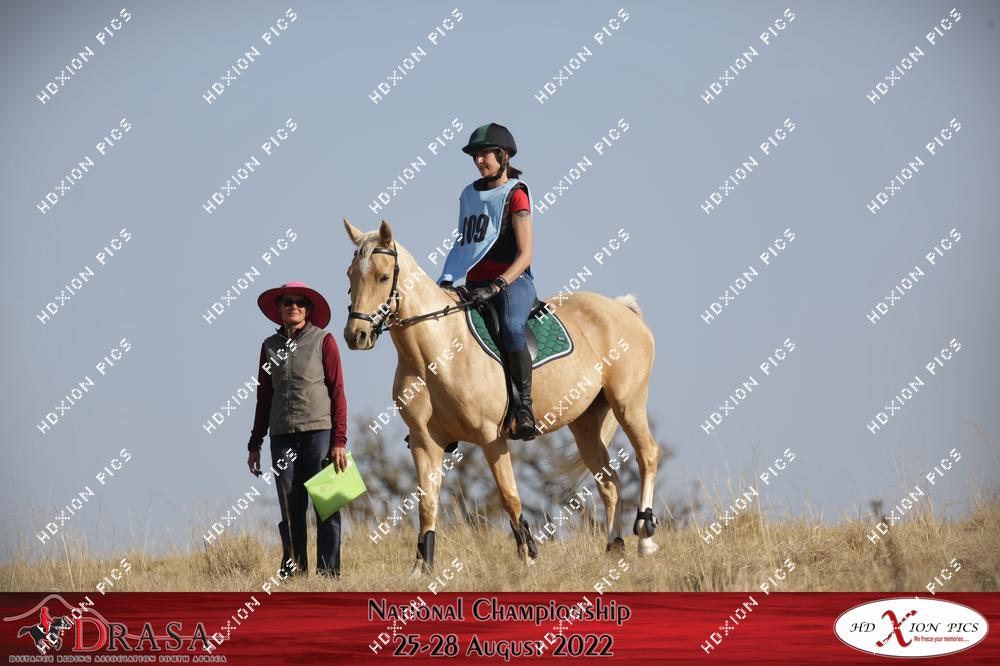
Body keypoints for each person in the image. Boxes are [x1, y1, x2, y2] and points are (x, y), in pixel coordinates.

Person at [437, 123, 538, 440]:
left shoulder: (516, 195)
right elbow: (463, 243)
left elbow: (526, 254)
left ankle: (524, 407)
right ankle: (441, 416)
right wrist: (447, 278)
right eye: (475, 156)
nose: (479, 161)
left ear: (504, 155)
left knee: (510, 326)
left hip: (512, 282)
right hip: (473, 284)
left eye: (485, 155)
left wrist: (498, 285)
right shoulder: (468, 195)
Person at [246, 282, 348, 577]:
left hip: (320, 434)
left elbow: (338, 392)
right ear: (279, 308)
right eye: (288, 302)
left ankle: (329, 574)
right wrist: (254, 444)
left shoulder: (324, 340)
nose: (294, 307)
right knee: (290, 509)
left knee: (327, 505)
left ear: (308, 309)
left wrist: (339, 441)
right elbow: (264, 397)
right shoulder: (268, 346)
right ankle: (295, 572)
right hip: (282, 437)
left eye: (300, 303)